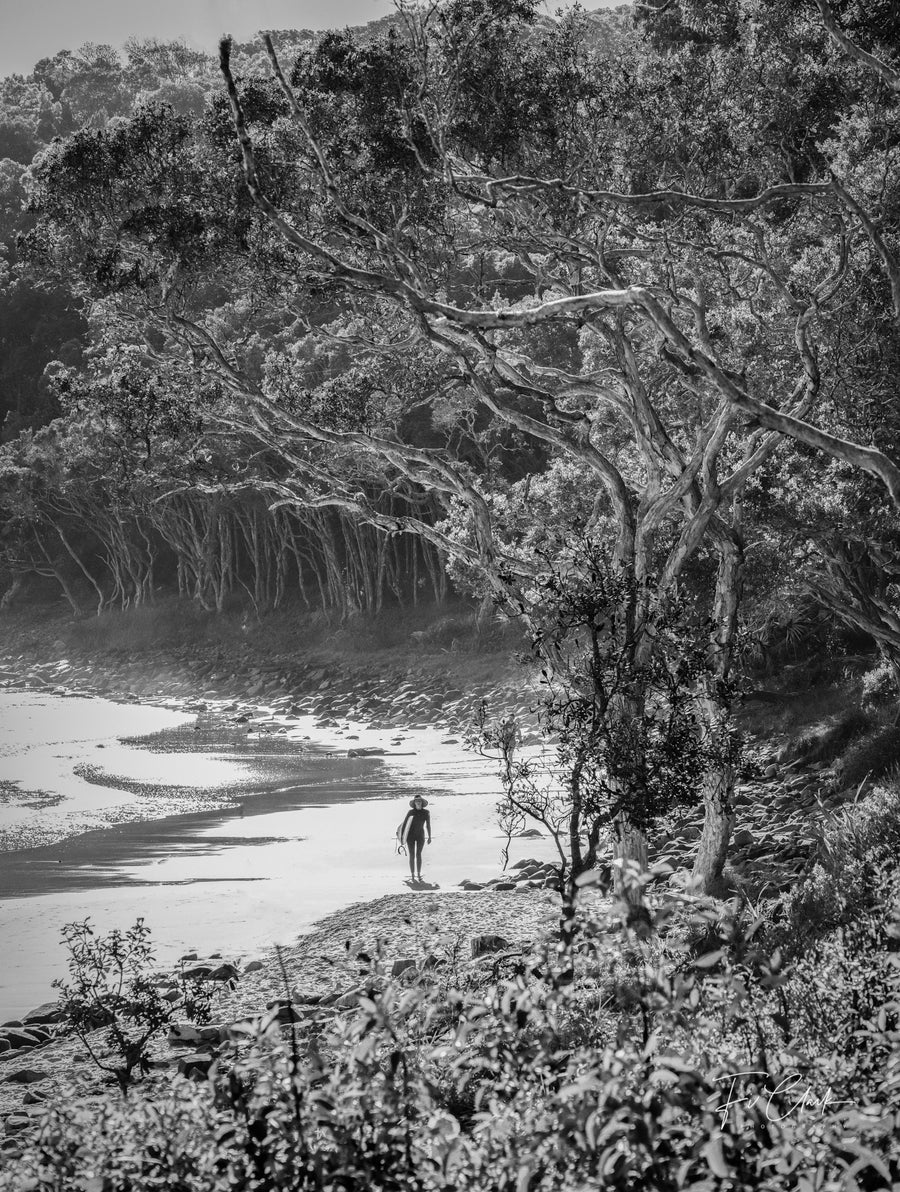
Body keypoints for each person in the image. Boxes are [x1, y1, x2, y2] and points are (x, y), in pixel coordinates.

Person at [398, 795, 431, 881]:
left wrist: (430, 836)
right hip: (410, 836)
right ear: (414, 803)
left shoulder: (426, 812)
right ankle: (412, 875)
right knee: (412, 855)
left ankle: (419, 874)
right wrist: (402, 837)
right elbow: (405, 824)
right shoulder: (410, 812)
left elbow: (428, 825)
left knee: (418, 854)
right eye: (416, 801)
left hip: (420, 835)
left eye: (419, 801)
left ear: (422, 802)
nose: (418, 802)